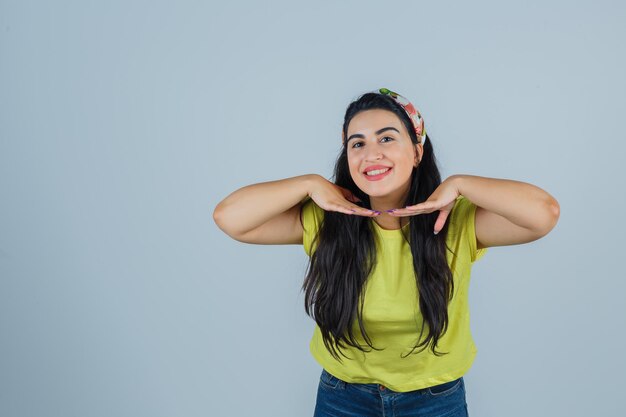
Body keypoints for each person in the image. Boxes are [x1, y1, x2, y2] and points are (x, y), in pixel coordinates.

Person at [212, 88, 560, 417]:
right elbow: (230, 218)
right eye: (357, 143)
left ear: (417, 150)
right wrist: (309, 182)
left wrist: (460, 183)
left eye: (387, 138)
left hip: (435, 398)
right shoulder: (326, 218)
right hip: (342, 396)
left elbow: (543, 214)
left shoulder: (455, 220)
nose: (371, 153)